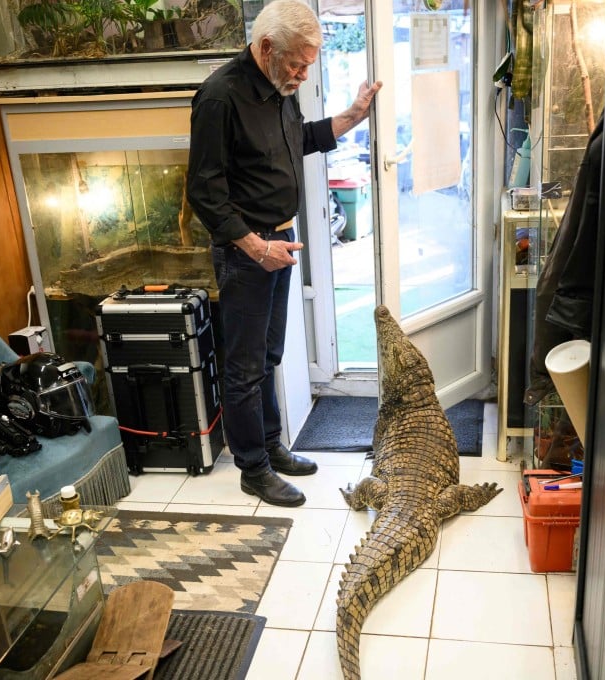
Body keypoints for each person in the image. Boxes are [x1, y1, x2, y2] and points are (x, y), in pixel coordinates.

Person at [187, 0, 381, 507]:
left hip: (278, 243)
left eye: (308, 65)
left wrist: (353, 116)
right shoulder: (220, 96)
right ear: (267, 47)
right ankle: (253, 468)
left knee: (269, 355)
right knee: (245, 367)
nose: (303, 73)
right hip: (248, 251)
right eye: (298, 63)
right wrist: (255, 248)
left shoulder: (279, 88)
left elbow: (301, 140)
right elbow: (204, 191)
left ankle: (272, 447)